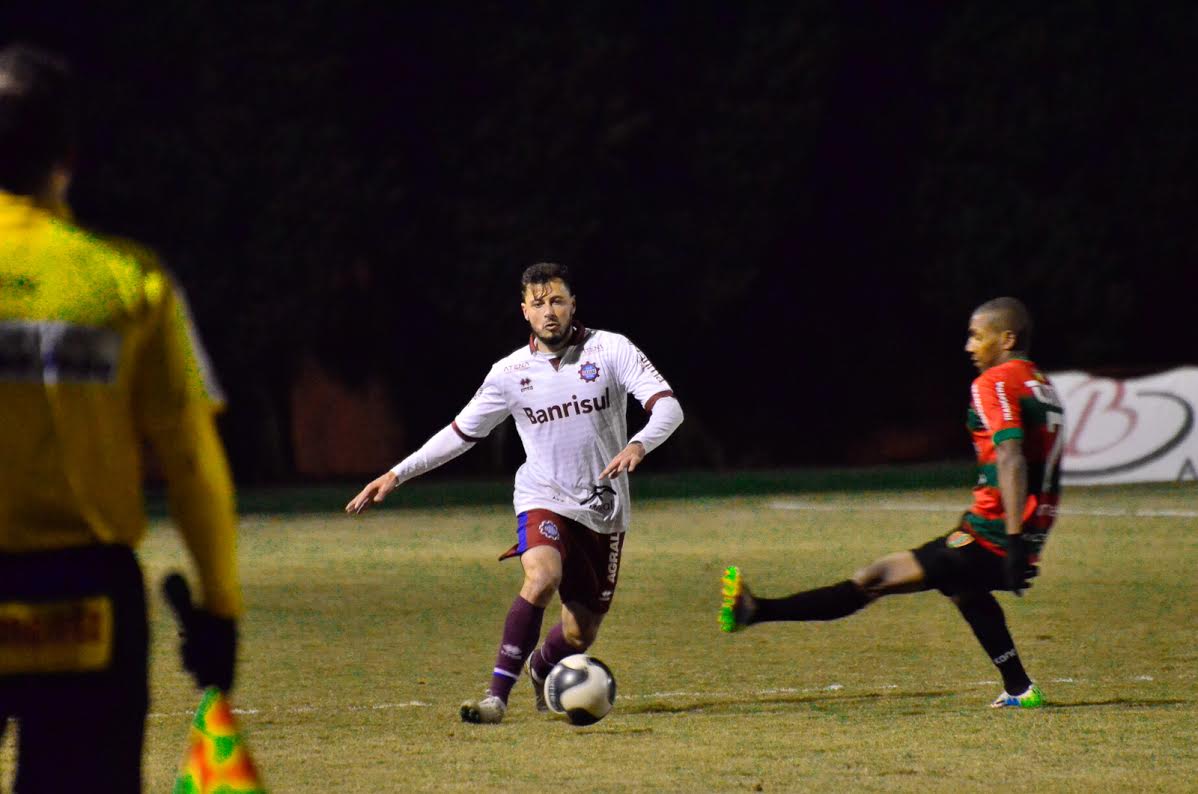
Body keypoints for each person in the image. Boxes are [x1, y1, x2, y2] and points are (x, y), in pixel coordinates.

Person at [0, 44, 241, 790]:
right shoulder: (129, 280)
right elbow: (193, 462)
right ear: (68, 153)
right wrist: (218, 607)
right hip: (85, 600)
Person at [347, 262, 683, 724]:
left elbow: (669, 407)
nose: (550, 312)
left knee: (581, 633)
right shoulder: (509, 373)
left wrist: (639, 443)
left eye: (558, 301)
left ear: (573, 306)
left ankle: (541, 666)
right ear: (525, 311)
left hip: (604, 511)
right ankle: (495, 698)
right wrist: (396, 474)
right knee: (542, 577)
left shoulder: (611, 349)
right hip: (542, 495)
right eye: (539, 303)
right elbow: (460, 433)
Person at [720, 297, 1063, 708]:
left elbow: (1010, 455)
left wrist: (1011, 539)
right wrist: (1027, 538)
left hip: (995, 534)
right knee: (963, 589)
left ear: (1007, 338)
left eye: (977, 336)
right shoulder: (1041, 384)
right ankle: (1019, 688)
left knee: (876, 577)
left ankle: (755, 610)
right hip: (1015, 531)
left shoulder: (994, 382)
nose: (969, 347)